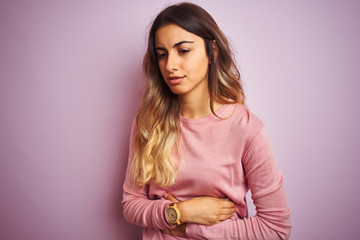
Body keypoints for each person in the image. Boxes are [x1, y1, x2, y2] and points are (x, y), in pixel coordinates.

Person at [122, 2, 291, 239]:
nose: (170, 65)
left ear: (212, 52)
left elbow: (276, 229)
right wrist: (179, 212)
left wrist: (190, 228)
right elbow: (131, 204)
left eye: (183, 51)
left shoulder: (246, 129)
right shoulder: (149, 123)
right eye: (162, 54)